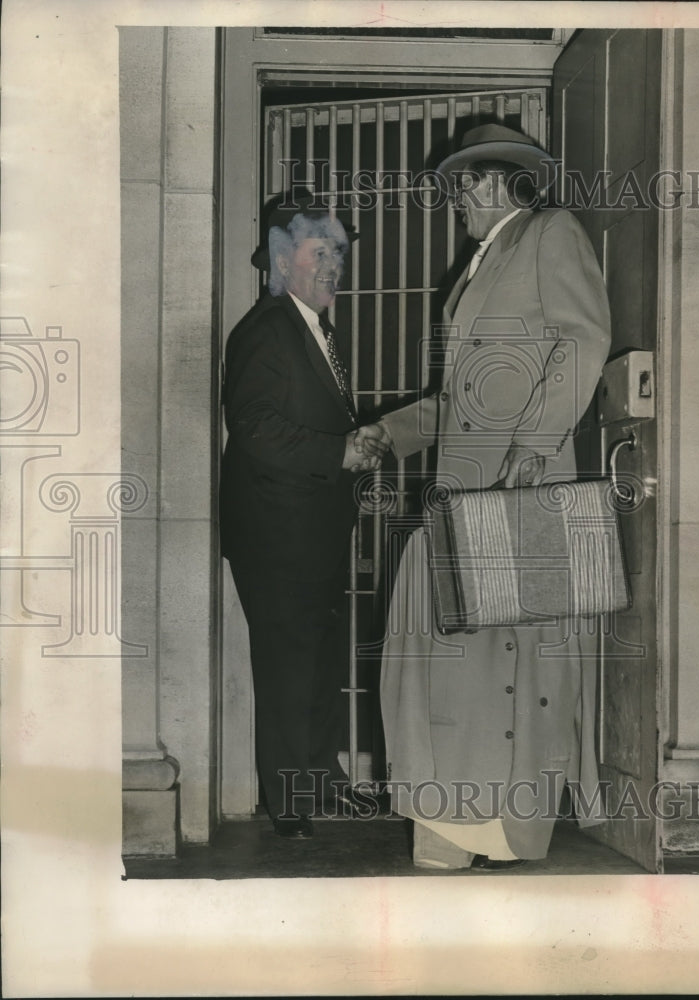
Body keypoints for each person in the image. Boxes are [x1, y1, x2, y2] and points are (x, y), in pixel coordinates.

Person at [373, 124, 613, 869]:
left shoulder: (548, 234)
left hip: (523, 485)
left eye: (461, 192)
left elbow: (583, 339)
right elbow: (463, 397)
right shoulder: (479, 266)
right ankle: (457, 828)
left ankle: (498, 833)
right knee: (470, 667)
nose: (458, 207)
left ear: (484, 184)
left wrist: (537, 445)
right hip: (474, 488)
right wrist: (386, 434)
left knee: (516, 664)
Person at [219, 192, 387, 839]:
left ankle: (319, 780)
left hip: (310, 530)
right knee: (290, 668)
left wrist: (353, 448)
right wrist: (335, 451)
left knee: (315, 665)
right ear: (284, 258)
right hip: (276, 536)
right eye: (323, 250)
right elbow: (255, 427)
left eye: (341, 251)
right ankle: (289, 802)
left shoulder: (314, 327)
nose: (335, 264)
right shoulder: (266, 328)